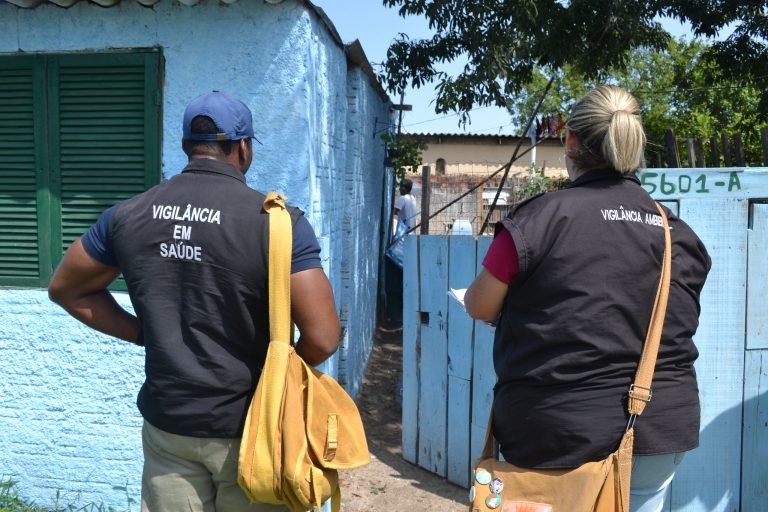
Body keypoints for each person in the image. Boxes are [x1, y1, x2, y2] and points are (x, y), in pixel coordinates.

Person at [48, 91, 340, 512]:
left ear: (187, 146)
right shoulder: (277, 222)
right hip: (253, 428)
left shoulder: (127, 215)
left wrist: (140, 332)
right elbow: (324, 338)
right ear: (243, 147)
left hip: (169, 427)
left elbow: (66, 288)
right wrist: (281, 375)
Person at [464, 85, 710, 512]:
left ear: (571, 142)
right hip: (656, 429)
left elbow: (479, 305)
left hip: (554, 429)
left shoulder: (537, 220)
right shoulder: (679, 235)